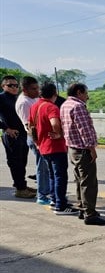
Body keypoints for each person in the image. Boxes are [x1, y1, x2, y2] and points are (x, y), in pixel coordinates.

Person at [61, 83, 105, 225]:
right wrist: (92, 149)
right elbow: (85, 130)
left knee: (79, 180)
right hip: (83, 149)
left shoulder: (65, 105)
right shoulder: (78, 106)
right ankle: (90, 214)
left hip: (72, 148)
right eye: (86, 93)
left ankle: (83, 208)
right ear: (79, 92)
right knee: (89, 182)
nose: (87, 96)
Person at [29, 82, 77, 216]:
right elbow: (55, 123)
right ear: (55, 93)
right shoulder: (51, 107)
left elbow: (30, 126)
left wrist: (37, 141)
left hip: (43, 146)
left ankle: (55, 200)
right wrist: (60, 133)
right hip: (56, 146)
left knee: (52, 175)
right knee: (60, 176)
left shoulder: (35, 106)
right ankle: (60, 205)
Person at [16, 76, 52, 204]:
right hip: (36, 139)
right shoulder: (24, 103)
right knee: (42, 167)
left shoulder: (34, 99)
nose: (37, 91)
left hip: (42, 138)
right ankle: (42, 196)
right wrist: (38, 143)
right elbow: (29, 126)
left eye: (38, 88)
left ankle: (47, 192)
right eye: (34, 89)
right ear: (25, 89)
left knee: (46, 167)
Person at [0, 75, 36, 199]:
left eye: (16, 85)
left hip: (23, 134)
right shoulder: (2, 98)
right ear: (3, 86)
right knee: (15, 162)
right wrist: (6, 128)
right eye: (10, 85)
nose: (14, 87)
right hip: (12, 135)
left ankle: (22, 185)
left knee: (23, 161)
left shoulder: (18, 98)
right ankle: (20, 189)